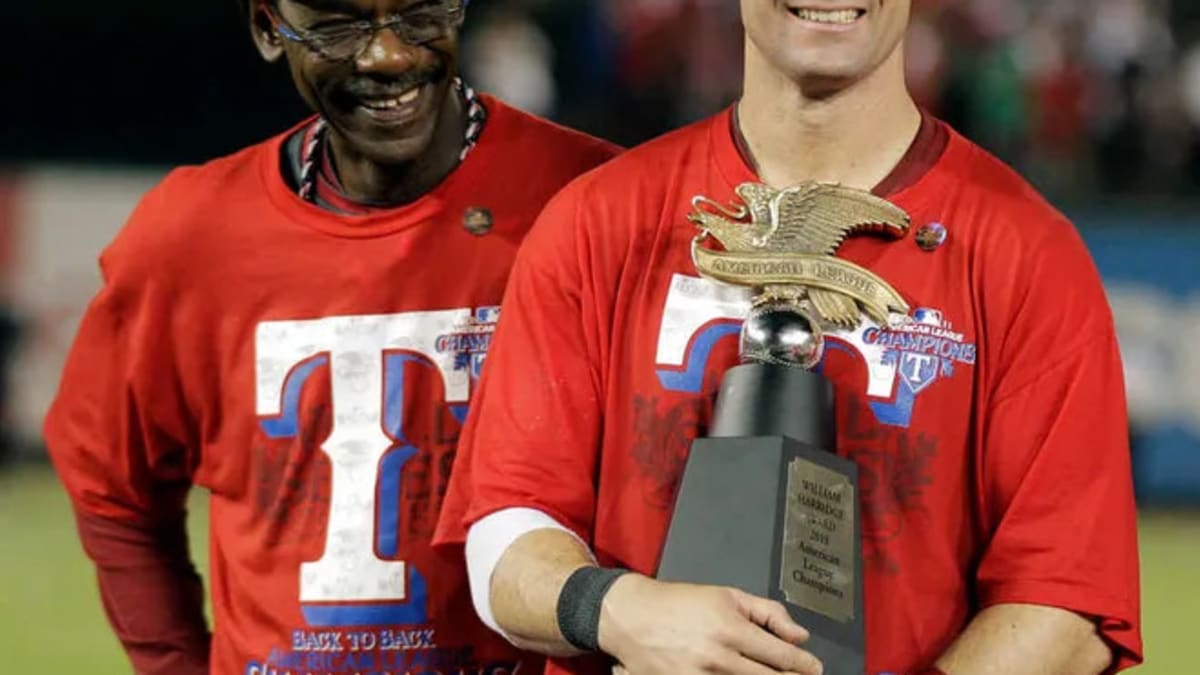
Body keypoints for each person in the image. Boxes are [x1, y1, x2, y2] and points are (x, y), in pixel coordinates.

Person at [434, 2, 1143, 675]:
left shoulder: (1028, 255)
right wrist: (622, 611)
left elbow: (1068, 607)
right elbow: (505, 537)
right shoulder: (598, 222)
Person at [42, 1, 619, 673]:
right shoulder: (189, 236)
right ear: (267, 28)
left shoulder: (595, 202)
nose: (388, 57)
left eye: (419, 13)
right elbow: (112, 486)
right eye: (338, 26)